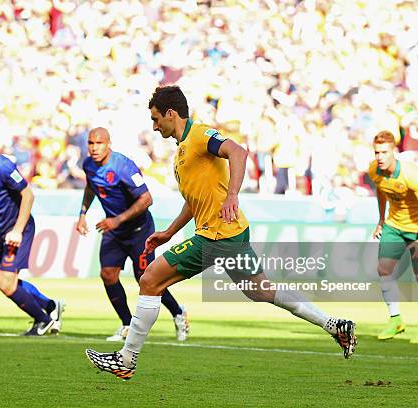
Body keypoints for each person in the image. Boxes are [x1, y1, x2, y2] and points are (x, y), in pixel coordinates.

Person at [85, 86, 357, 380]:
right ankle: (334, 324)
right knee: (260, 290)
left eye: (156, 119)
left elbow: (238, 152)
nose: (154, 126)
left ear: (171, 114)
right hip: (229, 234)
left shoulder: (200, 135)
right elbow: (194, 202)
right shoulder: (181, 154)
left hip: (216, 235)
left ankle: (126, 360)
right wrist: (169, 232)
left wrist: (233, 196)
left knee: (150, 279)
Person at [77, 127, 189, 342]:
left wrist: (117, 219)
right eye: (90, 143)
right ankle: (127, 324)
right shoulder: (88, 165)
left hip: (139, 231)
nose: (94, 148)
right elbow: (91, 188)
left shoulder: (123, 166)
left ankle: (178, 313)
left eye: (99, 143)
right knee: (108, 275)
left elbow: (147, 199)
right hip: (114, 231)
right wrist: (82, 214)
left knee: (146, 280)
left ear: (109, 144)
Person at [0, 128, 63, 336]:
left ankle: (43, 320)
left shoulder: (1, 166)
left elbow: (28, 195)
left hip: (19, 228)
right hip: (0, 230)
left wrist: (17, 230)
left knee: (6, 284)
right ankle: (51, 306)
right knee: (8, 281)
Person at [369, 130, 418, 344]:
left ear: (394, 152)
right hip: (394, 227)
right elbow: (380, 191)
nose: (379, 156)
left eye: (384, 152)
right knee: (383, 269)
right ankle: (395, 320)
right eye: (376, 152)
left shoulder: (411, 174)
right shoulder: (374, 171)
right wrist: (381, 220)